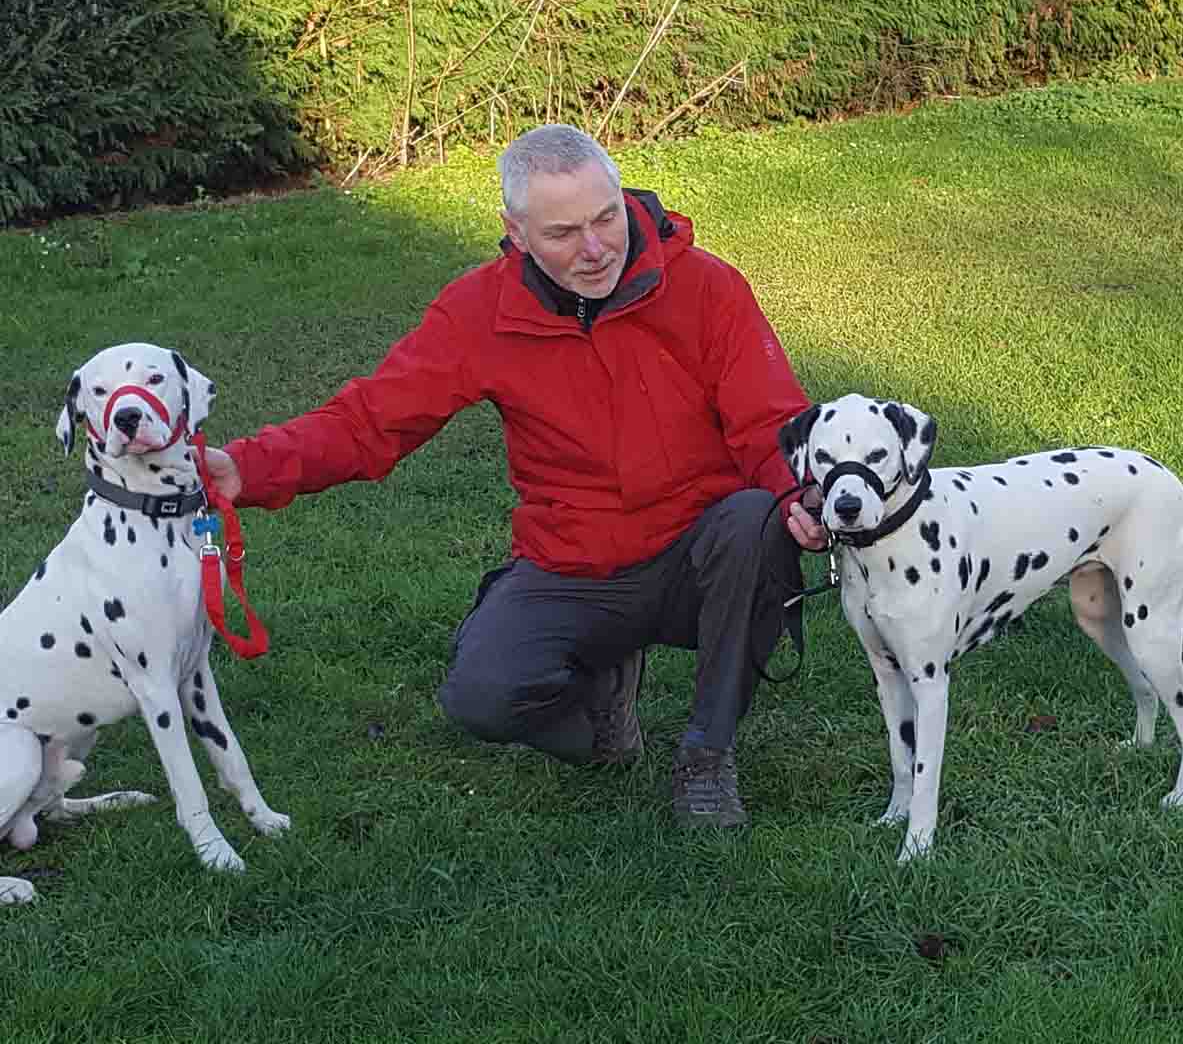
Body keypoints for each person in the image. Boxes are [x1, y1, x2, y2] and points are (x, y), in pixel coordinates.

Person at [204, 123, 826, 829]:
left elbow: (768, 418)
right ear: (517, 233)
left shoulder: (706, 286)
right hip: (574, 559)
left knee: (755, 519)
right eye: (563, 233)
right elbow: (371, 422)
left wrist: (795, 491)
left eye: (605, 218)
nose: (595, 249)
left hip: (701, 546)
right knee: (481, 698)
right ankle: (602, 711)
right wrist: (245, 469)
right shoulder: (479, 311)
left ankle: (707, 757)